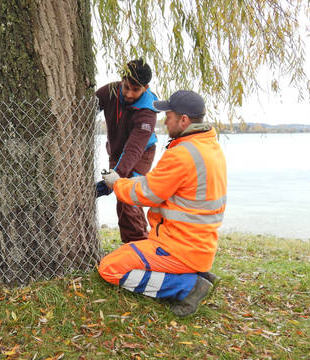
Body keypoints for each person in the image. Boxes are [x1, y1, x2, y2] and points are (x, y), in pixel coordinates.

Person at [97, 90, 227, 317]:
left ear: (184, 120)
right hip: (198, 245)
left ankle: (188, 286)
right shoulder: (209, 146)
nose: (165, 120)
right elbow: (159, 184)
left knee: (110, 268)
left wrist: (116, 183)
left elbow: (146, 194)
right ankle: (196, 274)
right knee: (128, 252)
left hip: (177, 247)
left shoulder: (182, 154)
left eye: (169, 115)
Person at [95, 59, 159, 244]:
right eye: (126, 87)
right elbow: (87, 109)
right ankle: (131, 246)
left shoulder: (148, 112)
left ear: (145, 87)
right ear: (121, 81)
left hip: (141, 154)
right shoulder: (110, 91)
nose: (129, 94)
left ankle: (139, 245)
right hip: (115, 150)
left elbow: (134, 149)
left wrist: (115, 178)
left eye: (135, 89)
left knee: (128, 198)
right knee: (120, 198)